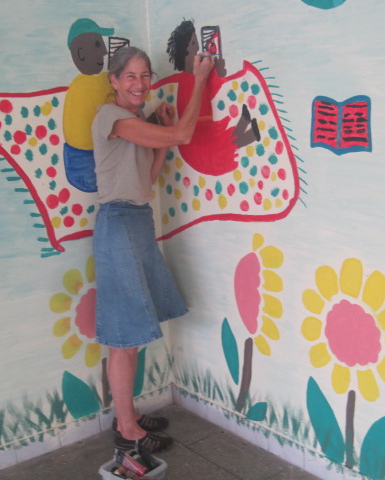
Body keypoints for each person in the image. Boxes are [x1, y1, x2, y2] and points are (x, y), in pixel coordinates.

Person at [91, 46, 213, 454]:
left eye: (145, 76)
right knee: (125, 336)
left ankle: (129, 415)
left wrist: (160, 138)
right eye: (130, 76)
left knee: (132, 331)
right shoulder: (112, 118)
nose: (140, 84)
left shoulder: (136, 122)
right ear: (114, 81)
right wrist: (199, 80)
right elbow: (183, 135)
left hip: (136, 220)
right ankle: (127, 428)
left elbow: (148, 177)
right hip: (119, 222)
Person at [165, 20, 260, 176]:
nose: (197, 47)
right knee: (221, 143)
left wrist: (217, 73)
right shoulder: (190, 78)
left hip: (197, 135)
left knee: (222, 140)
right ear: (187, 49)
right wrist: (216, 75)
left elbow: (207, 92)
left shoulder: (186, 78)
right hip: (197, 140)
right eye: (194, 43)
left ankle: (248, 130)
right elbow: (206, 92)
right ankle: (250, 133)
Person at [63, 18, 116, 192]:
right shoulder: (93, 85)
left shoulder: (78, 84)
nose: (105, 51)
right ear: (80, 54)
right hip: (86, 162)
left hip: (75, 160)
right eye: (97, 44)